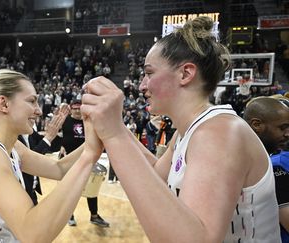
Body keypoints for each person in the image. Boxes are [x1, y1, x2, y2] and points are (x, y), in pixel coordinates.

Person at [80, 16, 281, 242]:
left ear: (185, 74)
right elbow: (156, 174)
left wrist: (115, 134)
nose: (142, 85)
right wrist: (115, 126)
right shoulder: (193, 129)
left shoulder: (219, 133)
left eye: (149, 73)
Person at [0, 69, 102, 242]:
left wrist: (93, 142)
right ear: (4, 104)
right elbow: (33, 233)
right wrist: (89, 155)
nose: (38, 111)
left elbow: (59, 169)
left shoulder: (13, 147)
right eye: (32, 101)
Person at [243, 96, 289, 242]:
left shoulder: (264, 157)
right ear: (256, 124)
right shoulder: (276, 164)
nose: (287, 133)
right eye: (283, 128)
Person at [60, 99, 110, 227]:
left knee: (91, 188)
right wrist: (61, 146)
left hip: (88, 159)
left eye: (79, 108)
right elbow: (61, 136)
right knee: (71, 189)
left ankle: (94, 216)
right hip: (70, 160)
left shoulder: (88, 121)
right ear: (71, 109)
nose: (77, 111)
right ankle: (69, 215)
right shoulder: (65, 121)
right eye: (75, 108)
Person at [19, 103, 69, 205]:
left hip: (31, 193)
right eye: (31, 101)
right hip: (20, 197)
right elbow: (30, 161)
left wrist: (55, 129)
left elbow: (49, 146)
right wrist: (49, 136)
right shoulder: (10, 138)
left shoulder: (30, 132)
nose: (39, 112)